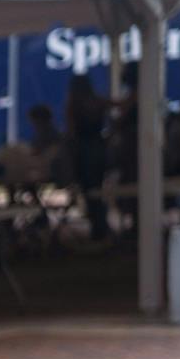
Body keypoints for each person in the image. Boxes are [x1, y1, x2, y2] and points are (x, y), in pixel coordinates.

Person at [66, 72, 113, 240]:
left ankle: (98, 227)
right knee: (96, 189)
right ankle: (101, 225)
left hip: (84, 150)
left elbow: (71, 131)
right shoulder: (97, 101)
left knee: (89, 190)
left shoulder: (74, 105)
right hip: (97, 148)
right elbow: (117, 106)